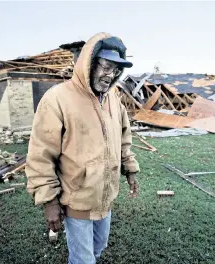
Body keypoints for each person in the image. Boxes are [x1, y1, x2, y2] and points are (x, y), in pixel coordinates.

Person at [25, 32, 140, 264]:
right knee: (83, 260)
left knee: (99, 247)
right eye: (106, 66)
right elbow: (40, 156)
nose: (111, 75)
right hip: (75, 201)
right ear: (89, 63)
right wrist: (50, 201)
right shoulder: (57, 99)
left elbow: (123, 137)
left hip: (105, 198)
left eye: (117, 69)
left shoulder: (113, 99)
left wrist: (130, 167)